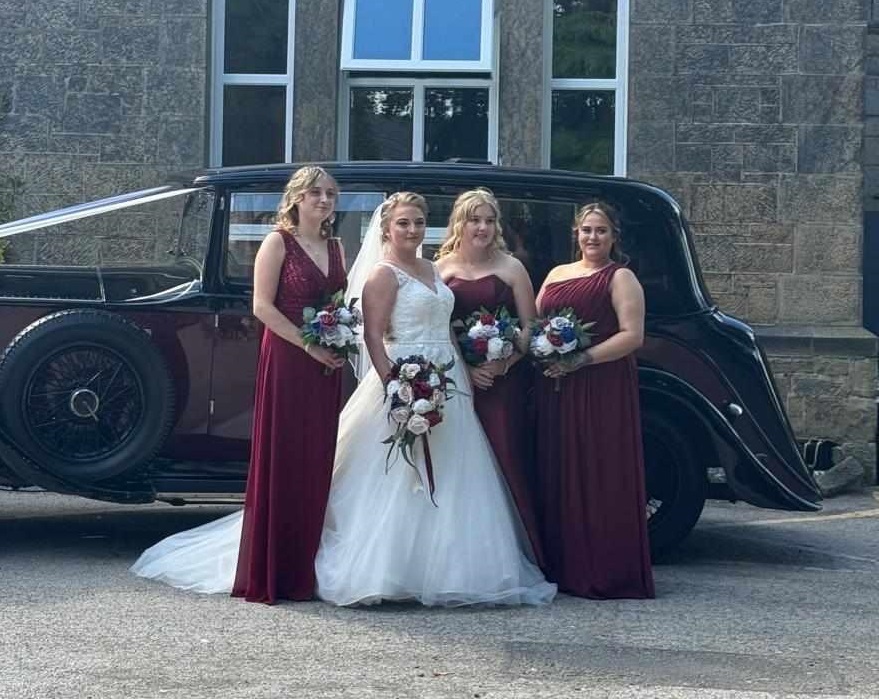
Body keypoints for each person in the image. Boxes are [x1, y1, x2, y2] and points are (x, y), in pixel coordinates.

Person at [313, 192, 555, 606]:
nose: (411, 230)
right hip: (404, 377)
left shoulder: (430, 267)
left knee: (454, 470)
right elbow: (373, 335)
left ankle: (453, 568)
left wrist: (481, 360)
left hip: (449, 374)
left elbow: (449, 325)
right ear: (387, 228)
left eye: (419, 222)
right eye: (403, 223)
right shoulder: (382, 274)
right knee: (398, 474)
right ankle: (389, 570)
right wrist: (397, 387)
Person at [131, 166, 347, 603]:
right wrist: (309, 346)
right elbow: (262, 307)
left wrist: (339, 338)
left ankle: (305, 562)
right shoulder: (278, 242)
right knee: (284, 453)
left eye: (329, 194)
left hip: (327, 365)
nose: (323, 200)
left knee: (318, 454)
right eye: (314, 193)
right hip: (289, 357)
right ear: (297, 199)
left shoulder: (338, 247)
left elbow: (340, 305)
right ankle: (272, 567)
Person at [534, 201, 655, 600]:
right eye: (586, 230)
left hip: (601, 385)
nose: (592, 237)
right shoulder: (557, 274)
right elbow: (537, 325)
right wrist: (543, 350)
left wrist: (580, 359)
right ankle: (562, 565)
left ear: (613, 236)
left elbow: (631, 335)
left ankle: (602, 567)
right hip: (557, 387)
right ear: (576, 233)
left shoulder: (620, 277)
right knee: (560, 467)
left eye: (601, 231)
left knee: (598, 468)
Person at [435, 188, 544, 567]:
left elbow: (531, 327)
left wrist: (505, 362)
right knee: (456, 464)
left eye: (489, 219)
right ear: (459, 223)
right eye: (474, 219)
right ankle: (458, 558)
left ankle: (515, 555)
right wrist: (465, 369)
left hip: (503, 382)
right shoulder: (441, 268)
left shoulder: (512, 267)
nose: (482, 227)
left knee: (505, 457)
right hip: (457, 381)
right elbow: (436, 327)